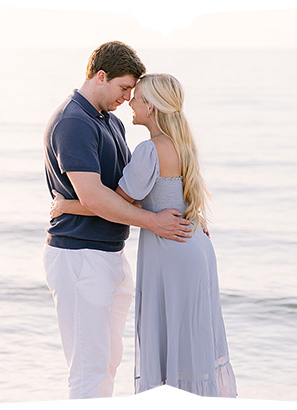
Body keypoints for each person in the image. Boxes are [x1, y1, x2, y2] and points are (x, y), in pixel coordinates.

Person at [51, 74, 237, 397]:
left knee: (168, 341)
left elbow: (118, 203)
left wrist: (67, 205)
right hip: (195, 245)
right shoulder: (182, 143)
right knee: (192, 341)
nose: (129, 103)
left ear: (150, 107)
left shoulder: (149, 150)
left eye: (135, 96)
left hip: (170, 249)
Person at [42, 41, 194, 399]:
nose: (128, 98)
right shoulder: (74, 122)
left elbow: (128, 189)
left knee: (109, 361)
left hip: (108, 254)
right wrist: (155, 222)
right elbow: (95, 196)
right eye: (124, 88)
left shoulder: (107, 120)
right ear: (100, 76)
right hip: (80, 255)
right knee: (89, 367)